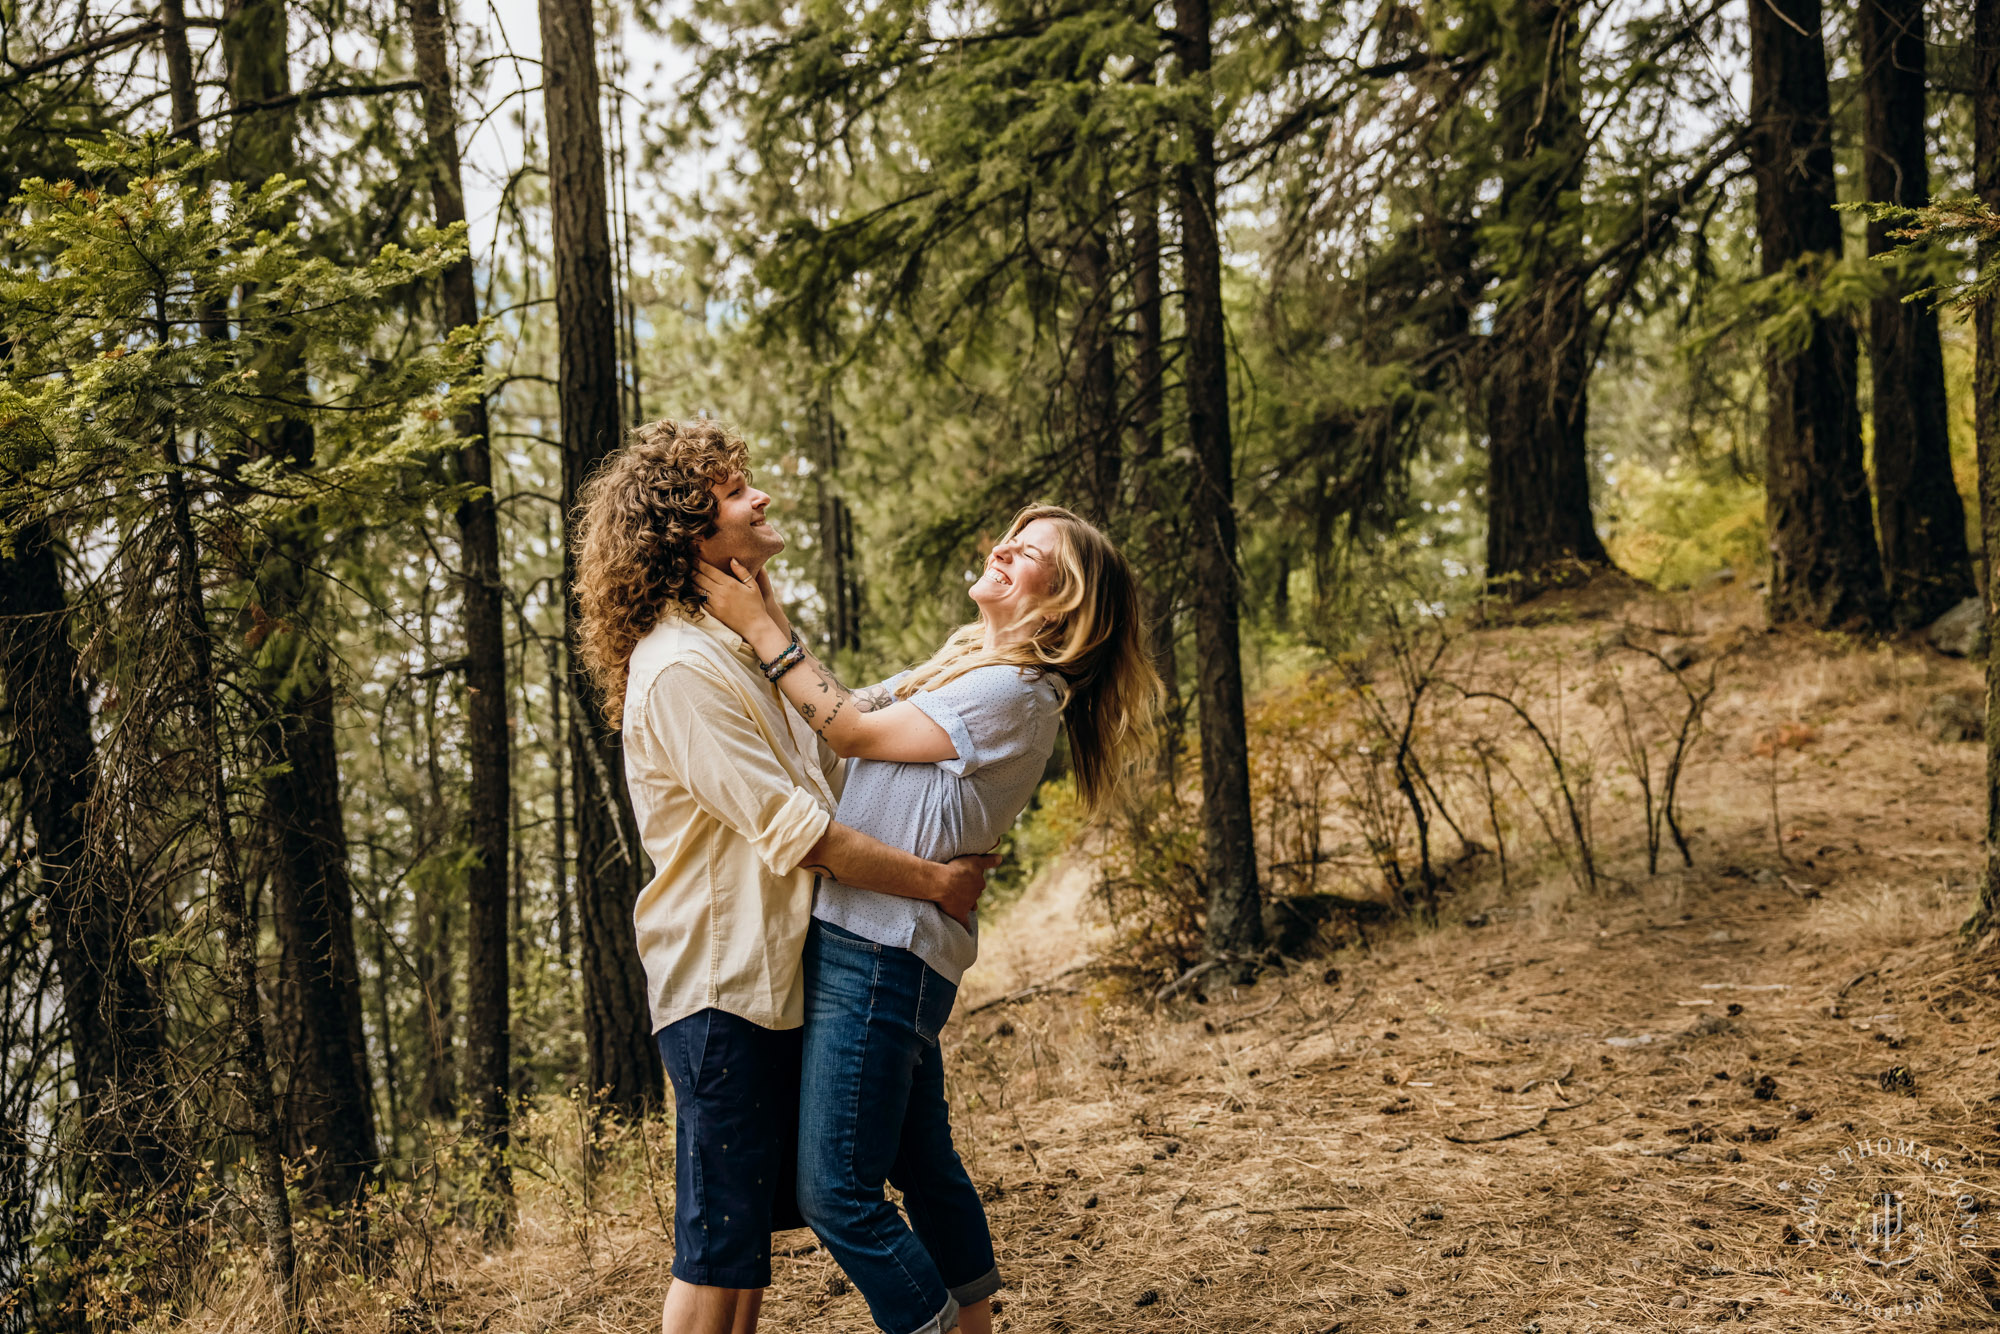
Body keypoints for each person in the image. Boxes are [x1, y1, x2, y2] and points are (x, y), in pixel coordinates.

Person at [574, 418, 1000, 1334]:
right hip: (720, 986)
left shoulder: (733, 645)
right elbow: (802, 831)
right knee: (713, 1250)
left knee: (745, 1253)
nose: (758, 496)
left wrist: (960, 665)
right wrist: (936, 883)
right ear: (690, 535)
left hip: (775, 980)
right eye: (733, 492)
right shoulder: (679, 670)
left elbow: (839, 751)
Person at [696, 503, 1162, 1334]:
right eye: (1011, 536)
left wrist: (759, 627)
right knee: (925, 1165)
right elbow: (834, 717)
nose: (1004, 547)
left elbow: (855, 730)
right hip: (877, 942)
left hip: (879, 953)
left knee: (835, 1192)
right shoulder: (969, 666)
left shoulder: (1016, 691)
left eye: (1031, 550)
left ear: (1064, 603)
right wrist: (765, 609)